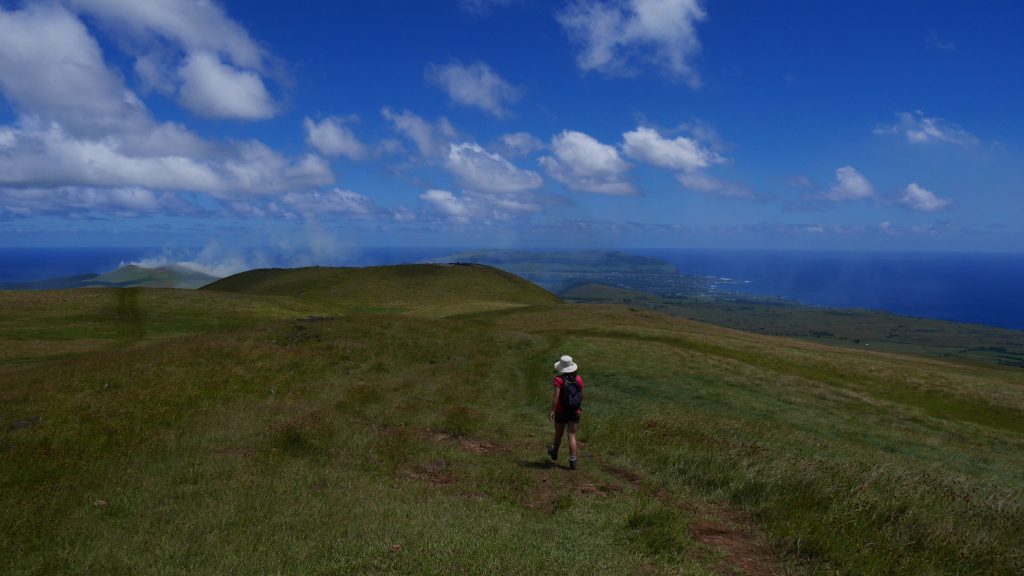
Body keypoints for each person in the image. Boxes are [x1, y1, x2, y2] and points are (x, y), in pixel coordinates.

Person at [547, 355, 584, 470]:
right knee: (572, 435)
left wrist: (552, 410)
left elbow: (556, 397)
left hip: (561, 411)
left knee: (559, 433)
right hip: (574, 410)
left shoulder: (558, 380)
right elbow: (581, 394)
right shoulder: (578, 379)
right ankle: (572, 459)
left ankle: (554, 452)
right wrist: (579, 407)